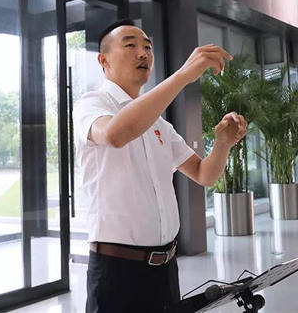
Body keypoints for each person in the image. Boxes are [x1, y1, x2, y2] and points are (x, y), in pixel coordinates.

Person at [73, 19, 248, 313]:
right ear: (104, 60)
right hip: (117, 271)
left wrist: (223, 144)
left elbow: (203, 174)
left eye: (147, 47)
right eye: (130, 45)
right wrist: (183, 76)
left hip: (165, 270)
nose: (143, 53)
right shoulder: (91, 104)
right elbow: (114, 134)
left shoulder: (159, 124)